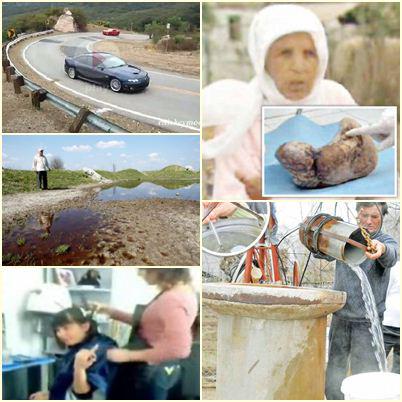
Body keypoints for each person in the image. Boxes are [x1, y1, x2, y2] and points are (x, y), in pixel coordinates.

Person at [202, 4, 356, 199]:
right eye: (285, 53)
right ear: (263, 60)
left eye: (309, 53)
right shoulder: (240, 116)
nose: (299, 67)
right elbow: (234, 199)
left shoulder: (335, 97)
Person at [325, 202, 398, 399]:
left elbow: (391, 255)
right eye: (364, 215)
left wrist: (380, 249)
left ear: (382, 217)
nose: (368, 221)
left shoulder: (385, 240)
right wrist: (318, 239)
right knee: (334, 371)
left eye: (374, 216)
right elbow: (322, 252)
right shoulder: (346, 235)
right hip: (340, 316)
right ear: (357, 214)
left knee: (366, 377)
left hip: (368, 322)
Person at [89, 268, 198, 400]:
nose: (140, 274)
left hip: (149, 371)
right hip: (151, 368)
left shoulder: (173, 299)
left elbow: (178, 349)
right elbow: (151, 323)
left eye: (144, 270)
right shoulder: (180, 291)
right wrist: (110, 312)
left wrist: (127, 356)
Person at [29, 307, 117, 400]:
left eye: (66, 328)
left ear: (85, 327)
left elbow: (83, 394)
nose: (60, 334)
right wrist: (52, 394)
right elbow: (70, 383)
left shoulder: (99, 350)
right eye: (57, 330)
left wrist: (79, 367)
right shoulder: (80, 345)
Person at [382, 260, 400, 374]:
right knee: (376, 364)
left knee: (399, 370)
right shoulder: (395, 267)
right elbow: (384, 292)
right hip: (387, 325)